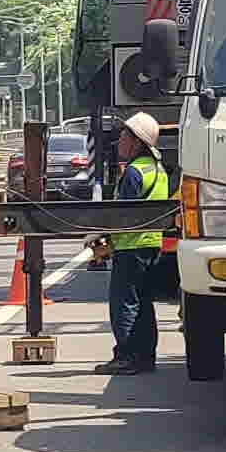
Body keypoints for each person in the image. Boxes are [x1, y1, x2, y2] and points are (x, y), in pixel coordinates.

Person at [85, 109, 173, 375]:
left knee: (124, 302)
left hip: (131, 247)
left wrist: (102, 240)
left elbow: (123, 214)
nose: (119, 140)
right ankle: (145, 356)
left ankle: (126, 356)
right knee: (144, 303)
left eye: (123, 135)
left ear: (136, 141)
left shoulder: (135, 172)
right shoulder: (157, 169)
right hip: (150, 245)